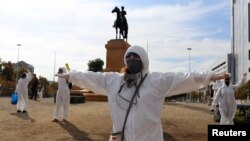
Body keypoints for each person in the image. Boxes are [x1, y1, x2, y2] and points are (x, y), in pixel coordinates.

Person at [56, 45, 230, 141]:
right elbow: (90, 77)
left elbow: (185, 78)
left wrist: (213, 76)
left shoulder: (156, 81)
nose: (132, 60)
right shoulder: (113, 80)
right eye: (129, 57)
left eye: (136, 57)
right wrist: (70, 75)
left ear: (144, 61)